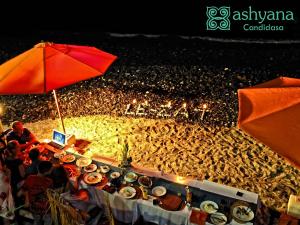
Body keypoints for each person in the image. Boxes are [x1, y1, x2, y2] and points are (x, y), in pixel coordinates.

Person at [19, 161, 53, 225]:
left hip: (33, 207)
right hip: (45, 208)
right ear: (48, 172)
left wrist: (27, 198)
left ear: (38, 168)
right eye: (51, 169)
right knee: (48, 219)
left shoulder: (30, 178)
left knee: (36, 219)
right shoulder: (49, 181)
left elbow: (21, 191)